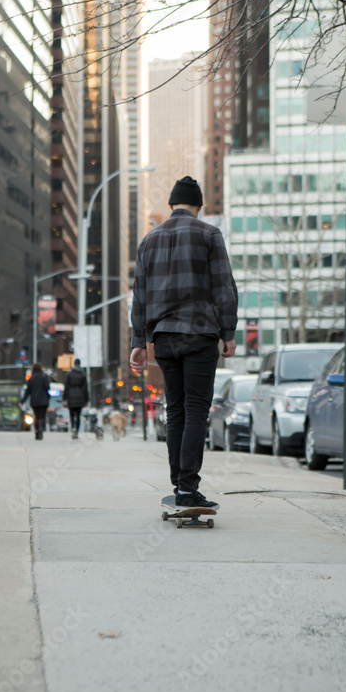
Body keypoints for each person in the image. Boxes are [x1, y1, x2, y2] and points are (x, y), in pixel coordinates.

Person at [130, 176, 238, 508]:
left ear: (172, 204)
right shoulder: (209, 234)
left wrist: (138, 341)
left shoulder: (149, 239)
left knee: (174, 410)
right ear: (198, 206)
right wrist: (229, 333)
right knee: (195, 411)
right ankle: (189, 487)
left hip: (163, 338)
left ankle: (179, 484)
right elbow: (224, 287)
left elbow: (139, 297)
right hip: (199, 333)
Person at [22, 362, 50, 440]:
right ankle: (41, 429)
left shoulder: (31, 378)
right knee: (42, 416)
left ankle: (37, 431)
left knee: (36, 416)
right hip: (43, 400)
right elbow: (47, 387)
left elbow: (28, 391)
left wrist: (22, 401)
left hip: (34, 400)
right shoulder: (44, 377)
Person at [63, 358, 89, 439]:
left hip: (71, 396)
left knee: (72, 414)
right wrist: (86, 400)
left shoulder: (69, 374)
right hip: (80, 396)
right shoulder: (83, 375)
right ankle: (76, 431)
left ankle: (73, 427)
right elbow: (85, 388)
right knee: (78, 415)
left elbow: (66, 386)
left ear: (74, 364)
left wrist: (64, 398)